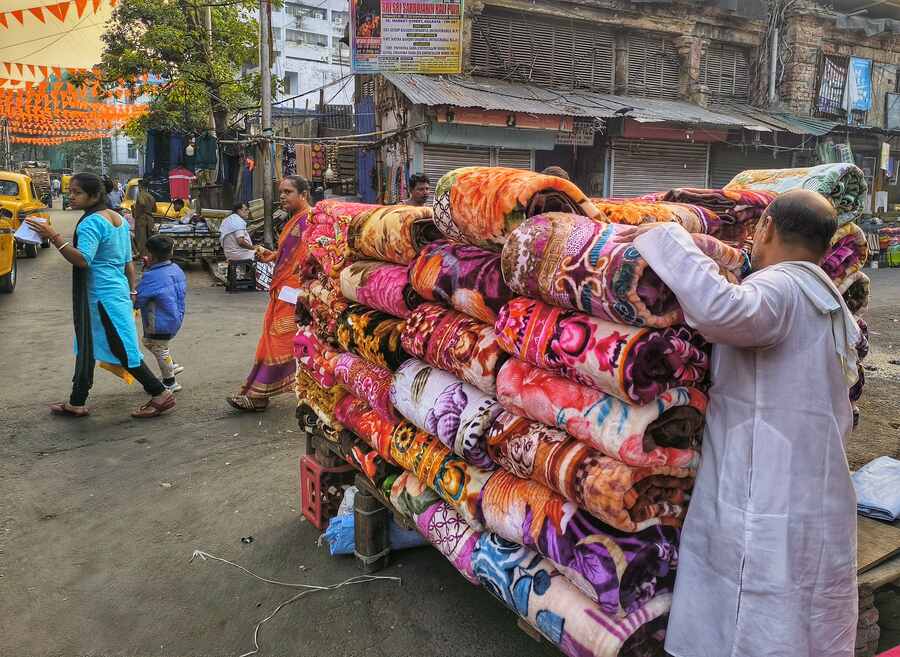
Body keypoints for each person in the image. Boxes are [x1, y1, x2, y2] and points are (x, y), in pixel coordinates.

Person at [620, 189, 859, 657]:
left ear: (765, 226)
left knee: (753, 614)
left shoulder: (783, 287)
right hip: (809, 485)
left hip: (765, 487)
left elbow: (722, 311)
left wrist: (668, 239)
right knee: (800, 616)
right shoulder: (831, 303)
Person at [25, 173, 176, 419]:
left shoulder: (91, 223)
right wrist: (131, 291)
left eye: (76, 193)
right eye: (70, 192)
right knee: (86, 345)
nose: (70, 196)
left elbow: (83, 260)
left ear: (94, 196)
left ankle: (159, 393)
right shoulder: (117, 218)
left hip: (102, 296)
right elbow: (128, 263)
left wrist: (53, 236)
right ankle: (77, 401)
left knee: (121, 347)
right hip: (114, 292)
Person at [227, 176, 312, 412]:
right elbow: (290, 254)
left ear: (303, 194)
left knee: (280, 341)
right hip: (285, 289)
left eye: (288, 192)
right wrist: (272, 255)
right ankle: (258, 393)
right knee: (276, 341)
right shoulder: (294, 220)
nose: (282, 196)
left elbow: (308, 258)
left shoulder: (309, 220)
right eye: (281, 192)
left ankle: (259, 395)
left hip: (295, 293)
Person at [135, 235, 187, 393]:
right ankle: (172, 365)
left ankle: (170, 381)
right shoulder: (175, 269)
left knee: (157, 347)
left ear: (151, 255)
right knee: (155, 344)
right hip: (174, 316)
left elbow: (140, 297)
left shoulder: (152, 276)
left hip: (159, 321)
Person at [133, 179, 156, 257]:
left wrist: (139, 210)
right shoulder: (151, 196)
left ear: (140, 186)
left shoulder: (140, 194)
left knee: (141, 239)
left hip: (141, 219)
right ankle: (151, 256)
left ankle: (143, 257)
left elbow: (142, 203)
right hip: (150, 219)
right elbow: (155, 209)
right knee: (150, 239)